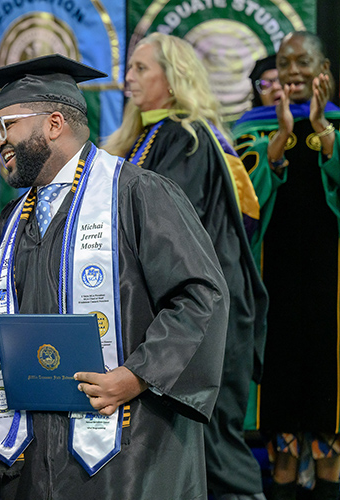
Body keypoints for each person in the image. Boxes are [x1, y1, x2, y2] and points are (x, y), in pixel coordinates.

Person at [0, 53, 229, 499]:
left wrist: (137, 374)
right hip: (36, 454)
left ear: (53, 124)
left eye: (7, 125)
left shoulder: (137, 194)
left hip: (131, 449)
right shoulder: (14, 220)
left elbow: (200, 296)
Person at [102, 33, 269, 500]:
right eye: (129, 67)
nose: (128, 77)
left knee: (215, 447)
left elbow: (169, 231)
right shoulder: (138, 139)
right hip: (171, 315)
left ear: (173, 80)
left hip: (204, 315)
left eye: (141, 69)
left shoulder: (189, 137)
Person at [232, 31, 340, 500]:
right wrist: (277, 144)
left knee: (328, 414)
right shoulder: (250, 130)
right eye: (285, 62)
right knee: (281, 427)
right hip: (272, 286)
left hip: (331, 292)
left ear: (324, 71)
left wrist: (324, 135)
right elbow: (241, 207)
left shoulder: (339, 126)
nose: (293, 71)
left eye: (304, 62)